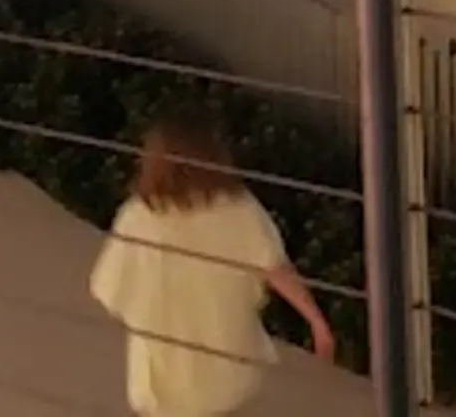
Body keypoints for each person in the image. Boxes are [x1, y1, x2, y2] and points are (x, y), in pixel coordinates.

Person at [87, 110, 332, 417]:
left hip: (161, 382)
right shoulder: (238, 209)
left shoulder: (138, 217)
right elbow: (274, 267)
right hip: (225, 374)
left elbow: (112, 290)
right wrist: (316, 320)